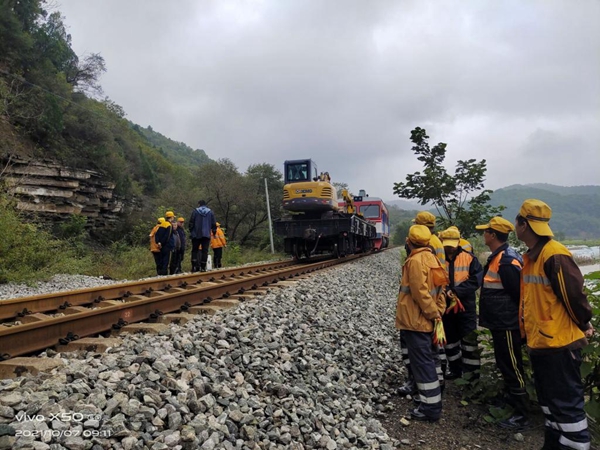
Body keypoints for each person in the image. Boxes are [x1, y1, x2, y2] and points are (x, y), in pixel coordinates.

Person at [515, 199, 593, 450]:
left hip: (559, 344)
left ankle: (576, 445)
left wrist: (584, 323)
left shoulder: (554, 254)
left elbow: (574, 297)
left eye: (517, 221)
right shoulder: (534, 256)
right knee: (551, 405)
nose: (515, 226)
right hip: (543, 343)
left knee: (567, 407)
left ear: (524, 225)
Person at [476, 216, 529, 430]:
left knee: (512, 366)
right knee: (505, 363)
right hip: (500, 323)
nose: (483, 235)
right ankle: (509, 402)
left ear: (493, 235)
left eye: (485, 231)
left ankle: (521, 414)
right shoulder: (498, 257)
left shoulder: (506, 261)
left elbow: (519, 296)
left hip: (508, 324)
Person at [396, 225, 448, 422]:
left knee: (423, 363)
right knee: (432, 360)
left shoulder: (415, 261)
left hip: (416, 321)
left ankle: (430, 408)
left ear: (409, 242)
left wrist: (433, 314)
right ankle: (433, 399)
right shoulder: (432, 258)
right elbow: (442, 289)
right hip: (429, 320)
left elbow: (420, 293)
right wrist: (439, 313)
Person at [439, 226, 483, 380]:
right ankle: (456, 370)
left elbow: (476, 279)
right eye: (447, 245)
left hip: (466, 306)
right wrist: (446, 291)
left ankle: (472, 376)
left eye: (452, 244)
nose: (449, 248)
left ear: (458, 242)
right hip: (446, 307)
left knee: (469, 340)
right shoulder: (438, 258)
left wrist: (458, 291)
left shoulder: (469, 258)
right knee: (450, 340)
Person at [189, 200, 217, 272]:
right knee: (205, 251)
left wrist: (191, 232)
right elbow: (214, 224)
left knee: (194, 250)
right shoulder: (210, 212)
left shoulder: (195, 211)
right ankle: (203, 267)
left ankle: (194, 267)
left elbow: (191, 222)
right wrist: (213, 233)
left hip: (196, 234)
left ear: (199, 204)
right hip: (206, 234)